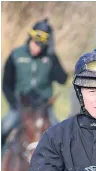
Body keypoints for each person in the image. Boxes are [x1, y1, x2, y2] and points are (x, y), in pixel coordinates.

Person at [2, 18, 67, 147]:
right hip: (20, 106)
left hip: (43, 107)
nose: (37, 48)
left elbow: (62, 79)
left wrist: (52, 56)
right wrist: (14, 103)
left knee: (62, 135)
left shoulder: (50, 57)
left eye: (41, 45)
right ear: (30, 38)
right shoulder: (16, 55)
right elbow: (6, 84)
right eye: (35, 43)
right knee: (4, 128)